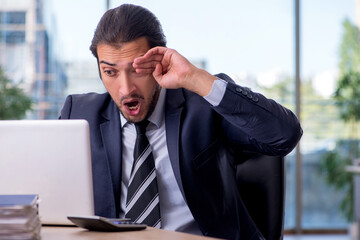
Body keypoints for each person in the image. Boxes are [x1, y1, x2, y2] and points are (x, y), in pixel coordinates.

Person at [60, 4, 302, 240]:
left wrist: (195, 78)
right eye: (110, 72)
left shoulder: (205, 105)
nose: (126, 89)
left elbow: (285, 135)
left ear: (158, 59)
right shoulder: (80, 114)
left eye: (137, 69)